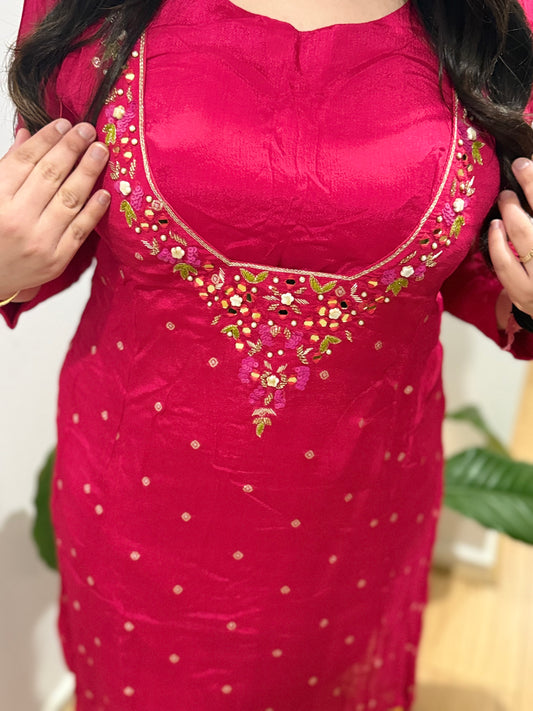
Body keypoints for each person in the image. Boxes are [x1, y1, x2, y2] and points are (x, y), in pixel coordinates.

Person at [2, 0, 533, 709]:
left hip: (357, 505)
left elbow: (477, 258)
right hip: (141, 503)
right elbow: (42, 229)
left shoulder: (498, 22)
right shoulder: (90, 10)